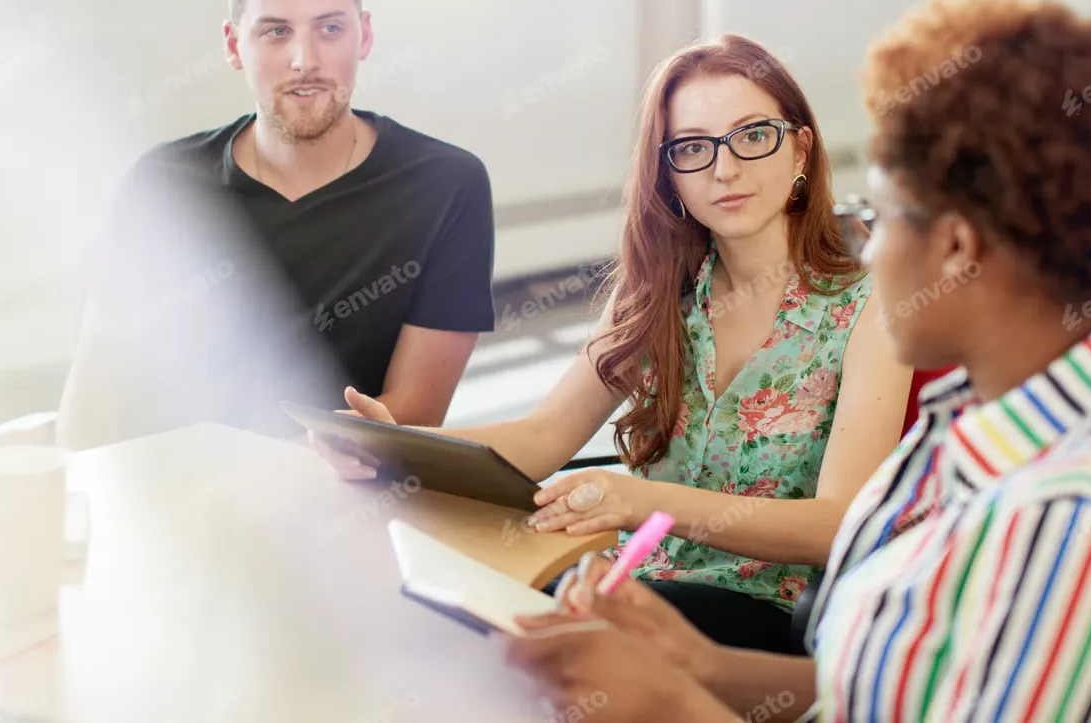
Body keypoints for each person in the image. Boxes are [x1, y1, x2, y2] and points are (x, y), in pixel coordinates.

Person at [504, 0, 1091, 722]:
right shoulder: (988, 428)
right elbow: (879, 689)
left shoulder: (1067, 521)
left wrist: (667, 699)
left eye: (883, 215)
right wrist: (698, 663)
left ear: (956, 245)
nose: (870, 248)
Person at [330, 35, 911, 654]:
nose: (724, 168)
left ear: (800, 147)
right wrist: (396, 447)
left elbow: (841, 523)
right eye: (693, 147)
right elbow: (539, 437)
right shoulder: (657, 291)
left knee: (538, 640)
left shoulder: (869, 308)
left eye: (752, 135)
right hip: (629, 579)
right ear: (670, 176)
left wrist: (642, 502)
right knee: (431, 594)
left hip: (773, 614)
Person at [56, 0, 495, 448]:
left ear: (366, 34)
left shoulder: (446, 186)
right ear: (233, 44)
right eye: (275, 31)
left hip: (339, 498)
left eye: (329, 28)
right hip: (174, 489)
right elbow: (91, 408)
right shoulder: (161, 186)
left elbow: (409, 424)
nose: (304, 59)